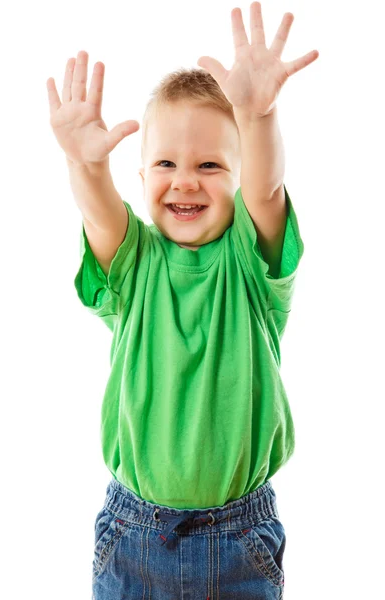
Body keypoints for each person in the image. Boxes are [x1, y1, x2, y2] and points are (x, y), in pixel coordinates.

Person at [47, 2, 318, 598]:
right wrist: (84, 164)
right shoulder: (136, 261)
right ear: (141, 178)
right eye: (165, 163)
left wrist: (259, 115)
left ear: (238, 175)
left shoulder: (251, 260)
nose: (186, 180)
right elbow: (99, 211)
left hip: (239, 539)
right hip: (132, 534)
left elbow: (268, 188)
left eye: (211, 165)